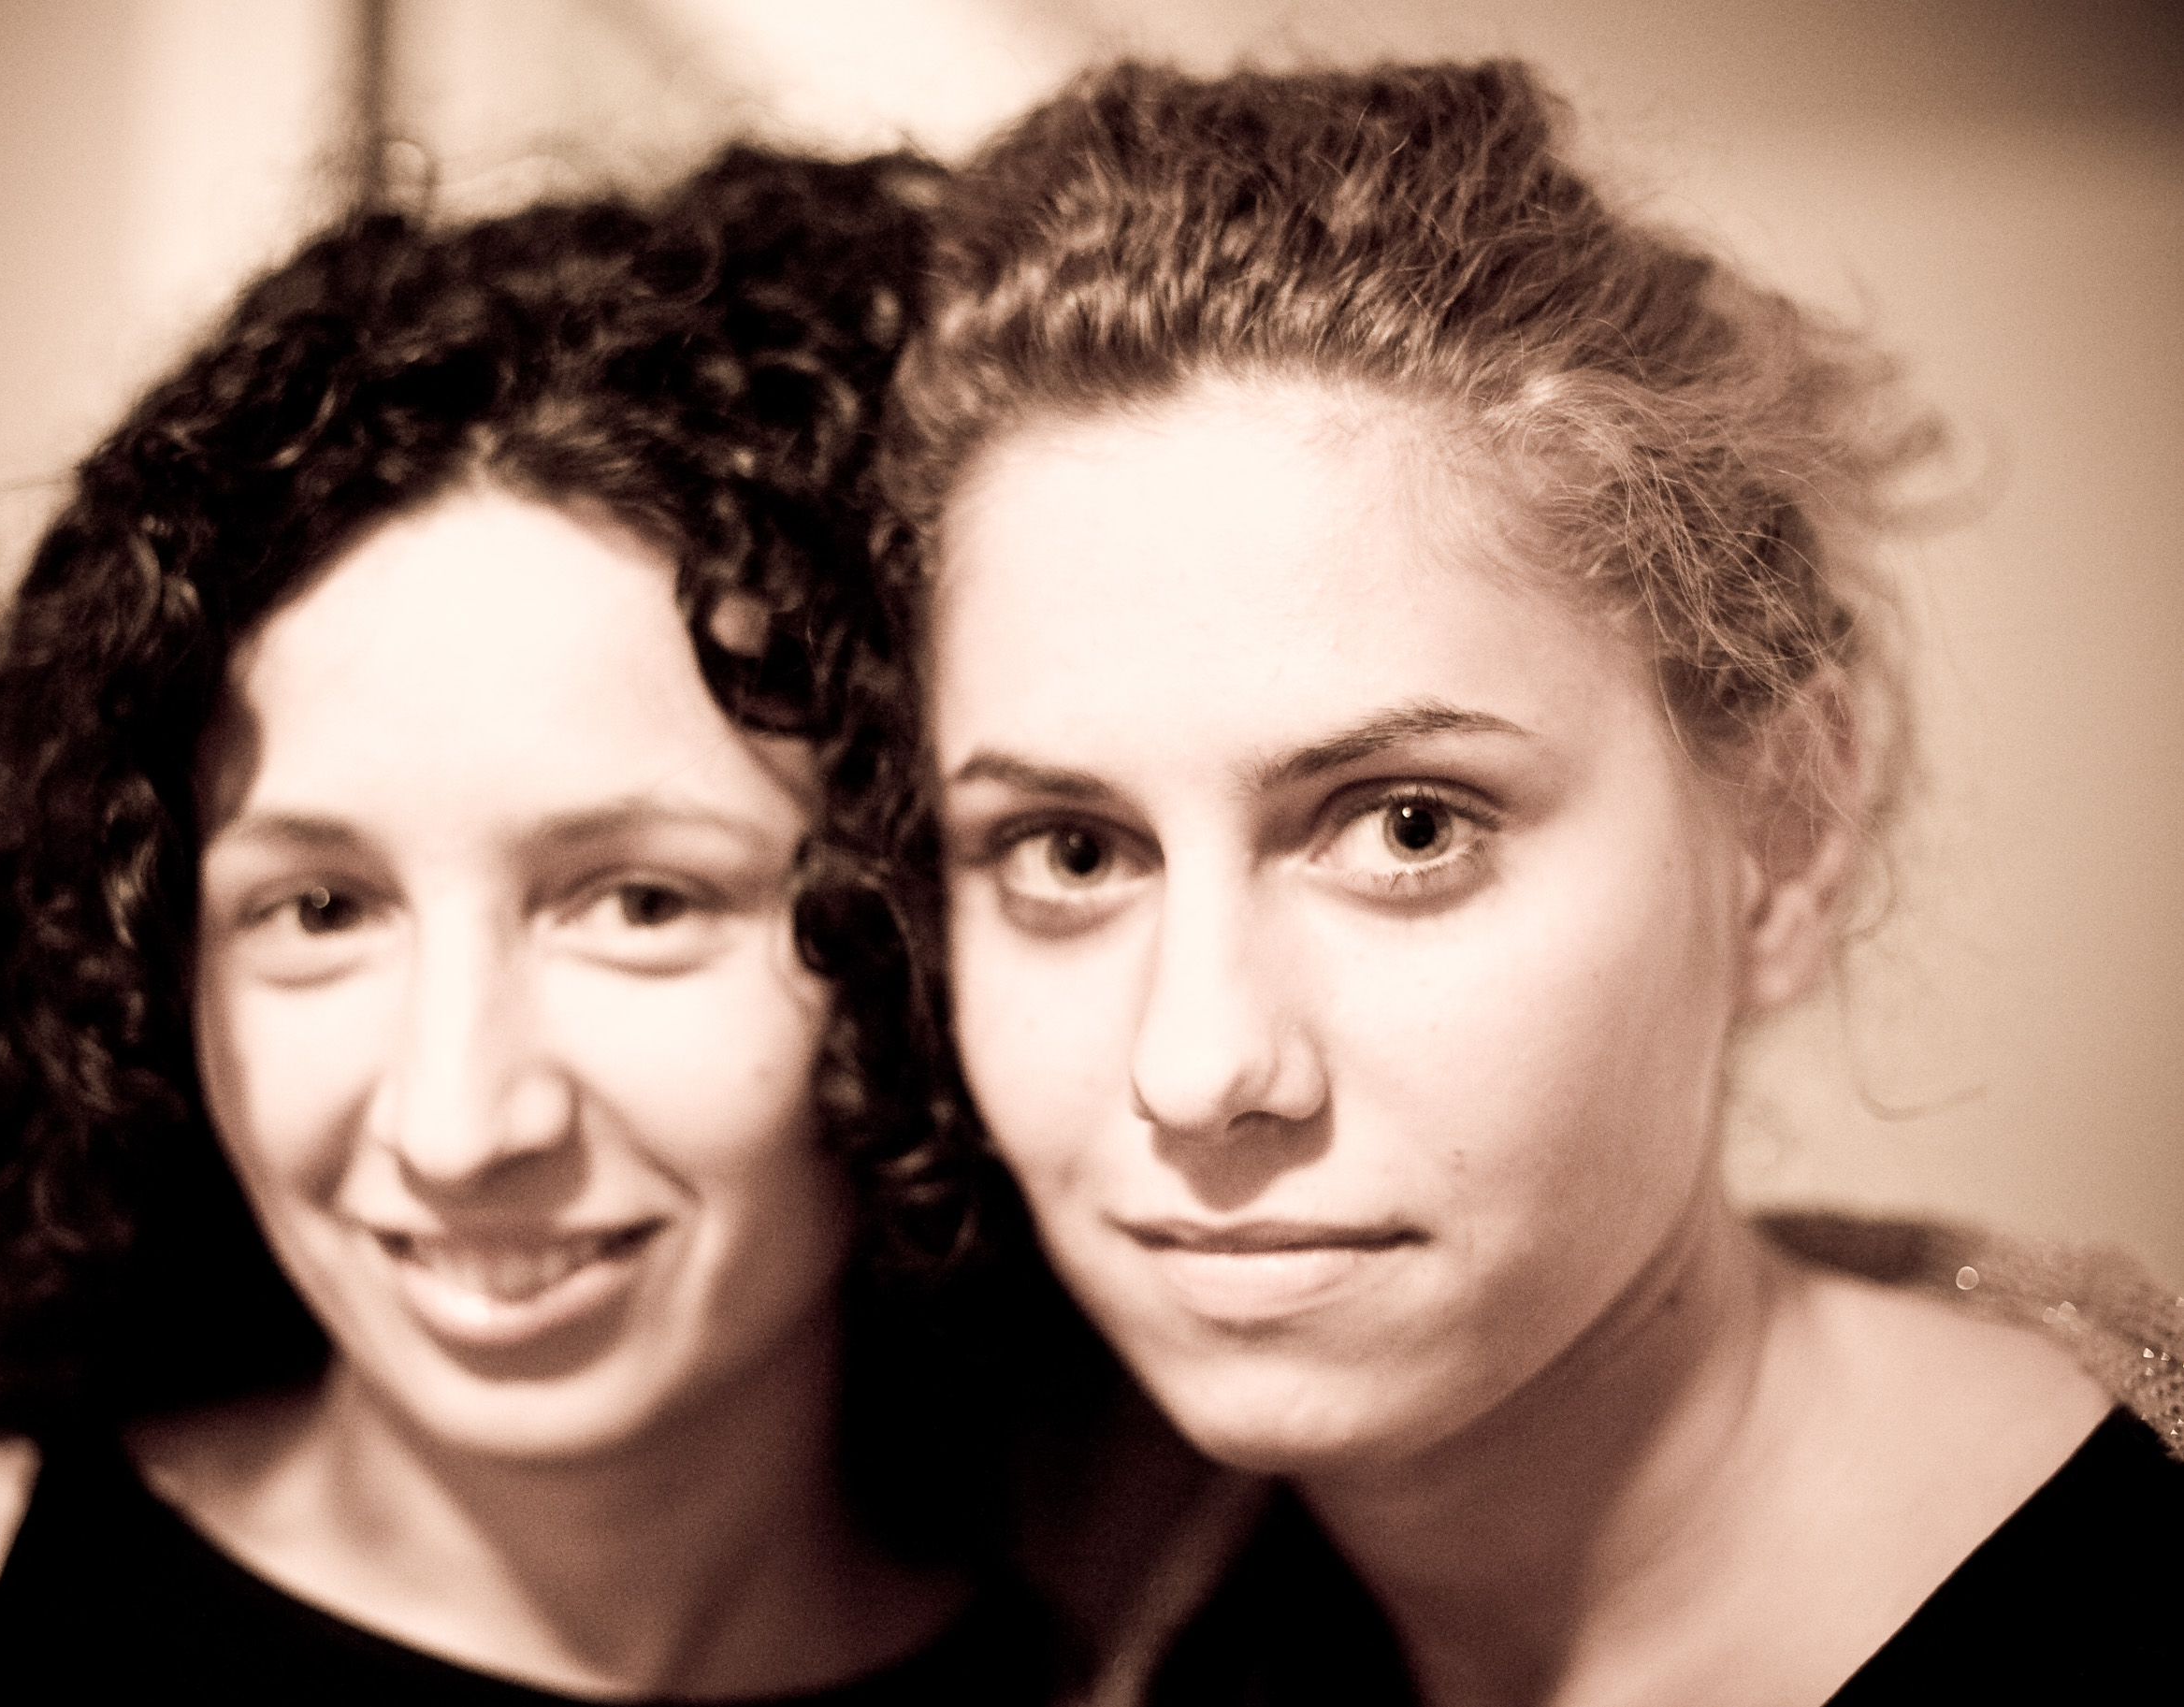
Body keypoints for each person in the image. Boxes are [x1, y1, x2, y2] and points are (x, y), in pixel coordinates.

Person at [0, 145, 1064, 1704]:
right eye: (318, 909)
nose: (458, 1125)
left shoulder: (1141, 1668)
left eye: (641, 902)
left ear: (920, 928)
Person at [861, 60, 2184, 1705]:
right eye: (1068, 851)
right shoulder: (1119, 1579)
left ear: (1781, 833)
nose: (1195, 1068)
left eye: (1409, 827)